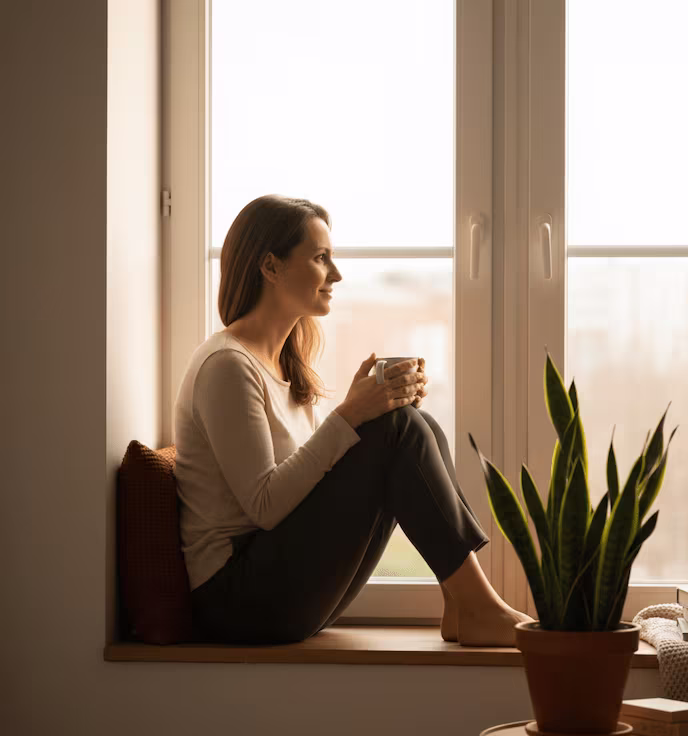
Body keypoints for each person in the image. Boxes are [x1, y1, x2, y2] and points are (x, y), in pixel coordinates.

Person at [173, 194, 533, 647]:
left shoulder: (284, 362)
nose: (336, 275)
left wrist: (366, 411)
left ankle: (462, 605)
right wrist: (351, 416)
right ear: (270, 266)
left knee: (409, 422)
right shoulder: (227, 365)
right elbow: (263, 506)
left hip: (273, 580)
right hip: (238, 598)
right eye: (321, 258)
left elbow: (309, 471)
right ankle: (480, 606)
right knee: (395, 430)